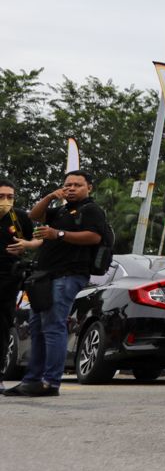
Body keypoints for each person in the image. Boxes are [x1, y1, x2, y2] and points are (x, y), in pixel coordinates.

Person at [3, 170, 103, 397]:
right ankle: (32, 380)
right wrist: (50, 197)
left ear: (89, 188)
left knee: (53, 326)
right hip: (46, 277)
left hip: (68, 275)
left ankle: (50, 382)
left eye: (77, 185)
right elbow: (35, 216)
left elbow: (94, 237)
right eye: (68, 184)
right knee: (36, 327)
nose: (71, 188)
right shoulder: (61, 210)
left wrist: (58, 234)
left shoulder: (91, 210)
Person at [0, 177, 33, 391]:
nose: (5, 201)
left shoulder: (18, 218)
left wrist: (25, 246)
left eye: (9, 197)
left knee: (2, 327)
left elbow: (30, 242)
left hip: (7, 279)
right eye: (1, 196)